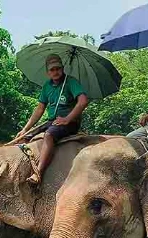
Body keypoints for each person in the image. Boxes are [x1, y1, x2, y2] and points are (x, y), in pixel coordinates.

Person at [9, 54, 89, 185]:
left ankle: (38, 172)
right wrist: (25, 129)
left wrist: (67, 119)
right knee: (24, 137)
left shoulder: (71, 82)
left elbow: (83, 101)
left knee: (49, 135)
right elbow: (40, 109)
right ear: (48, 72)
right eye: (52, 69)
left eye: (58, 68)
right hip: (52, 121)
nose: (55, 72)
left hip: (69, 123)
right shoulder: (47, 86)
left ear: (63, 68)